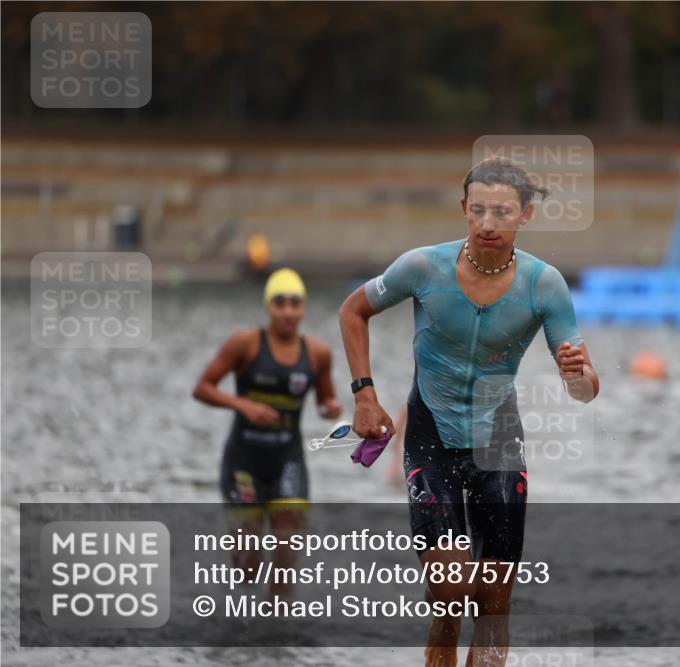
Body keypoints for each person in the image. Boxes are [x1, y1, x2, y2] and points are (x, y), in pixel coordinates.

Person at [339, 158, 599, 667]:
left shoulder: (545, 285)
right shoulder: (422, 267)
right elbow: (353, 310)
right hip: (430, 435)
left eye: (501, 212)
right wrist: (365, 395)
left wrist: (576, 375)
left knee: (495, 606)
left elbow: (586, 391)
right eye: (477, 210)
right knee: (452, 591)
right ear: (463, 209)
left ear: (524, 215)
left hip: (498, 440)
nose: (487, 223)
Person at [193, 267, 342, 599]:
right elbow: (202, 388)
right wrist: (243, 406)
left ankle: (278, 630)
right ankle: (240, 623)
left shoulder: (318, 353)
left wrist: (331, 409)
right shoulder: (244, 345)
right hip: (243, 462)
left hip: (287, 460)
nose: (288, 312)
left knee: (287, 554)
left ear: (303, 307)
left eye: (295, 303)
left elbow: (325, 401)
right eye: (280, 303)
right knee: (248, 563)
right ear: (268, 307)